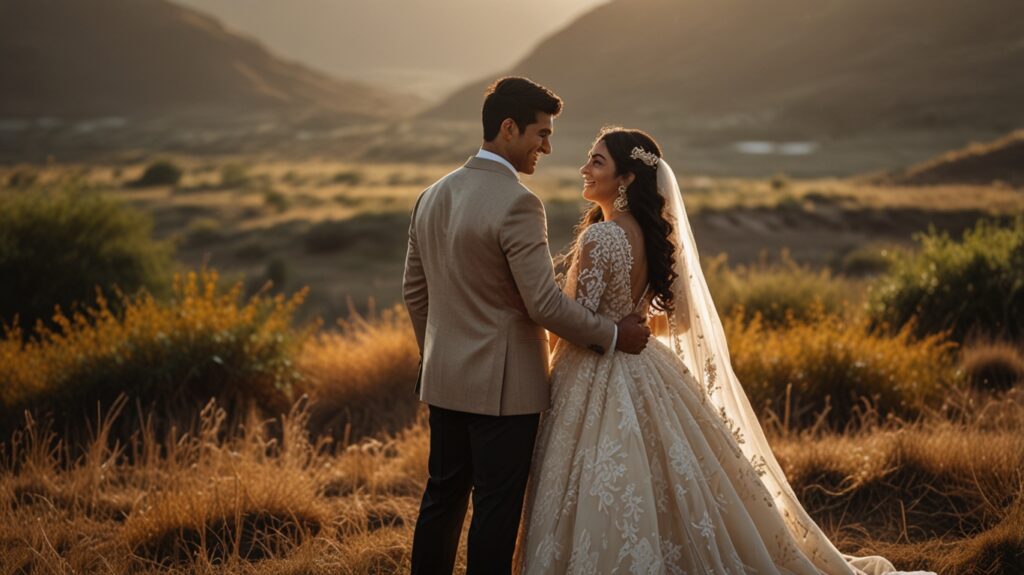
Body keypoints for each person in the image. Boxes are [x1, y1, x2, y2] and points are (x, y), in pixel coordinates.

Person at [517, 127, 931, 575]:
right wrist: (628, 326)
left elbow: (575, 322)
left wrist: (576, 340)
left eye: (597, 161)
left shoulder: (602, 238)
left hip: (594, 373)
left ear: (628, 178)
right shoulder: (650, 235)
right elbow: (670, 316)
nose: (584, 168)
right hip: (642, 366)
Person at [402, 78, 652, 575]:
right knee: (495, 512)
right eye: (541, 133)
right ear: (508, 128)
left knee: (441, 501)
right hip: (505, 391)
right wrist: (613, 334)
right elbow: (542, 303)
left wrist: (441, 356)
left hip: (444, 379)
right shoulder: (519, 203)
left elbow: (415, 291)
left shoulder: (431, 195)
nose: (547, 146)